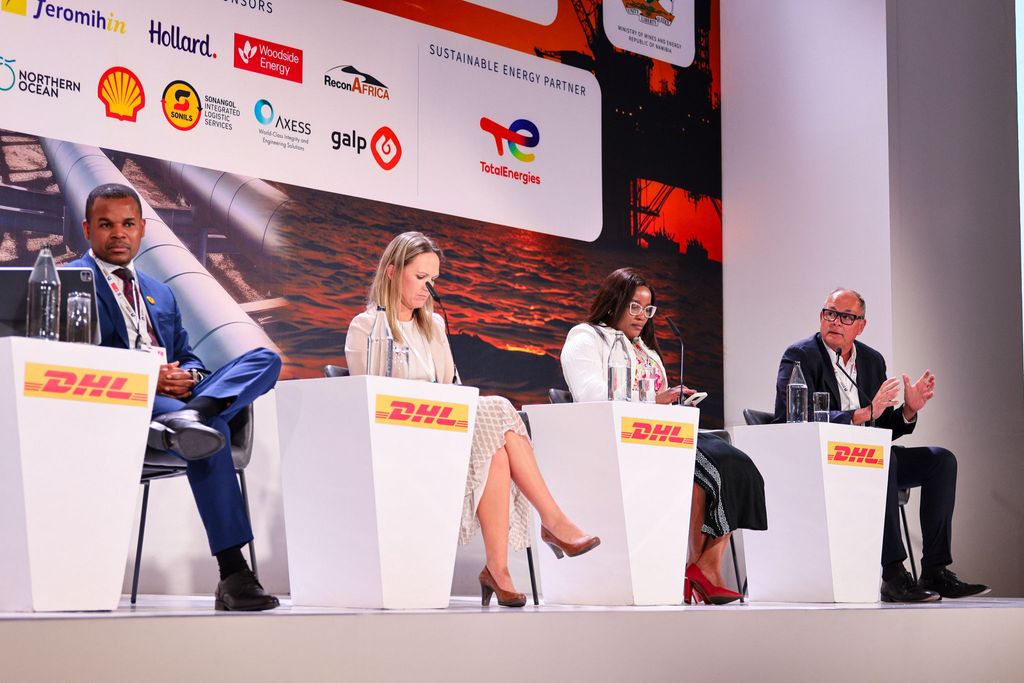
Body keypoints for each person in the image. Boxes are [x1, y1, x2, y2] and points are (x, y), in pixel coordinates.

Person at [345, 231, 600, 608]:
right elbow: (366, 399)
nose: (429, 289)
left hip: (442, 434)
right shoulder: (365, 327)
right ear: (392, 272)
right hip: (397, 438)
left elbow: (451, 388)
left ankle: (499, 569)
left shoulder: (434, 327)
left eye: (434, 280)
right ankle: (552, 522)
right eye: (420, 278)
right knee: (498, 410)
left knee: (496, 449)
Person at [70, 183, 280, 611]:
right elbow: (75, 359)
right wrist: (150, 376)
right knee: (213, 431)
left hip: (179, 399)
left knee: (264, 359)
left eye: (128, 224)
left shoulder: (160, 291)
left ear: (142, 229)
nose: (118, 233)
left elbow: (187, 353)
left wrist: (190, 377)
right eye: (106, 225)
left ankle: (196, 413)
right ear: (88, 229)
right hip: (128, 397)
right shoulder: (72, 280)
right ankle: (233, 572)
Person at [560, 268, 767, 605]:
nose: (642, 316)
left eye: (648, 309)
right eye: (634, 306)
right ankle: (703, 571)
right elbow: (590, 395)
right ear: (614, 302)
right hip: (622, 438)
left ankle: (705, 565)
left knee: (738, 464)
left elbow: (657, 400)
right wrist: (652, 401)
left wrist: (675, 403)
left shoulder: (648, 350)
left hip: (662, 433)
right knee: (704, 470)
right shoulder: (586, 337)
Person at [774, 288, 989, 602]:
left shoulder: (872, 361)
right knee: (884, 460)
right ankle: (893, 575)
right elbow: (795, 417)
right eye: (830, 313)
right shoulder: (800, 355)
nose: (836, 321)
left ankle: (935, 570)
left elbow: (883, 427)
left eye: (846, 317)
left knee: (941, 460)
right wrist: (862, 414)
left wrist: (908, 411)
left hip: (867, 458)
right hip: (823, 460)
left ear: (861, 325)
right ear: (821, 316)